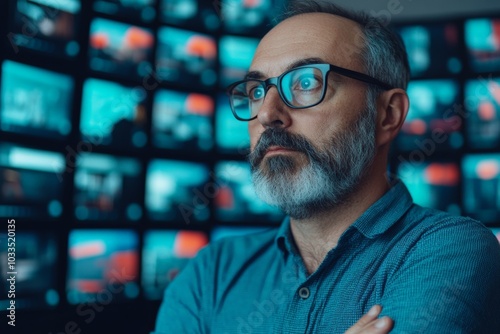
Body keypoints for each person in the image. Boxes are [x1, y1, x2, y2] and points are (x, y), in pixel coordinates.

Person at [152, 1, 500, 333]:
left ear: (387, 114)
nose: (268, 114)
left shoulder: (451, 251)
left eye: (306, 83)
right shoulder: (212, 273)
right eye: (257, 91)